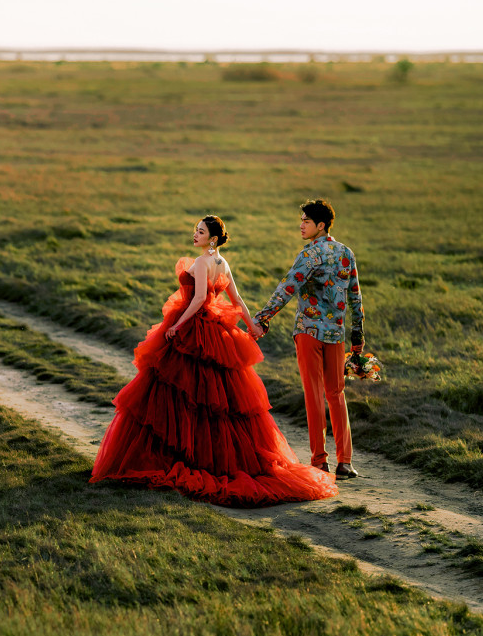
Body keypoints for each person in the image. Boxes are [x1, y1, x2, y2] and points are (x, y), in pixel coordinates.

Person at [90, 216, 337, 506]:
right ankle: (213, 458)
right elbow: (238, 300)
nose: (195, 235)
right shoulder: (223, 263)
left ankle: (180, 456)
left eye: (201, 231)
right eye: (196, 230)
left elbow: (197, 301)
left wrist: (177, 326)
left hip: (195, 329)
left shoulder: (204, 261)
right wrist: (252, 325)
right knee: (213, 398)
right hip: (216, 331)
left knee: (183, 392)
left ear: (214, 239)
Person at [252, 199, 364, 479]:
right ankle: (345, 461)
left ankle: (318, 461)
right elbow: (355, 297)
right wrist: (358, 333)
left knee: (314, 394)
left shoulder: (310, 255)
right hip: (336, 334)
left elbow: (286, 288)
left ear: (321, 225)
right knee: (336, 394)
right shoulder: (346, 253)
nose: (301, 225)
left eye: (306, 221)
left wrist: (263, 317)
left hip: (308, 332)